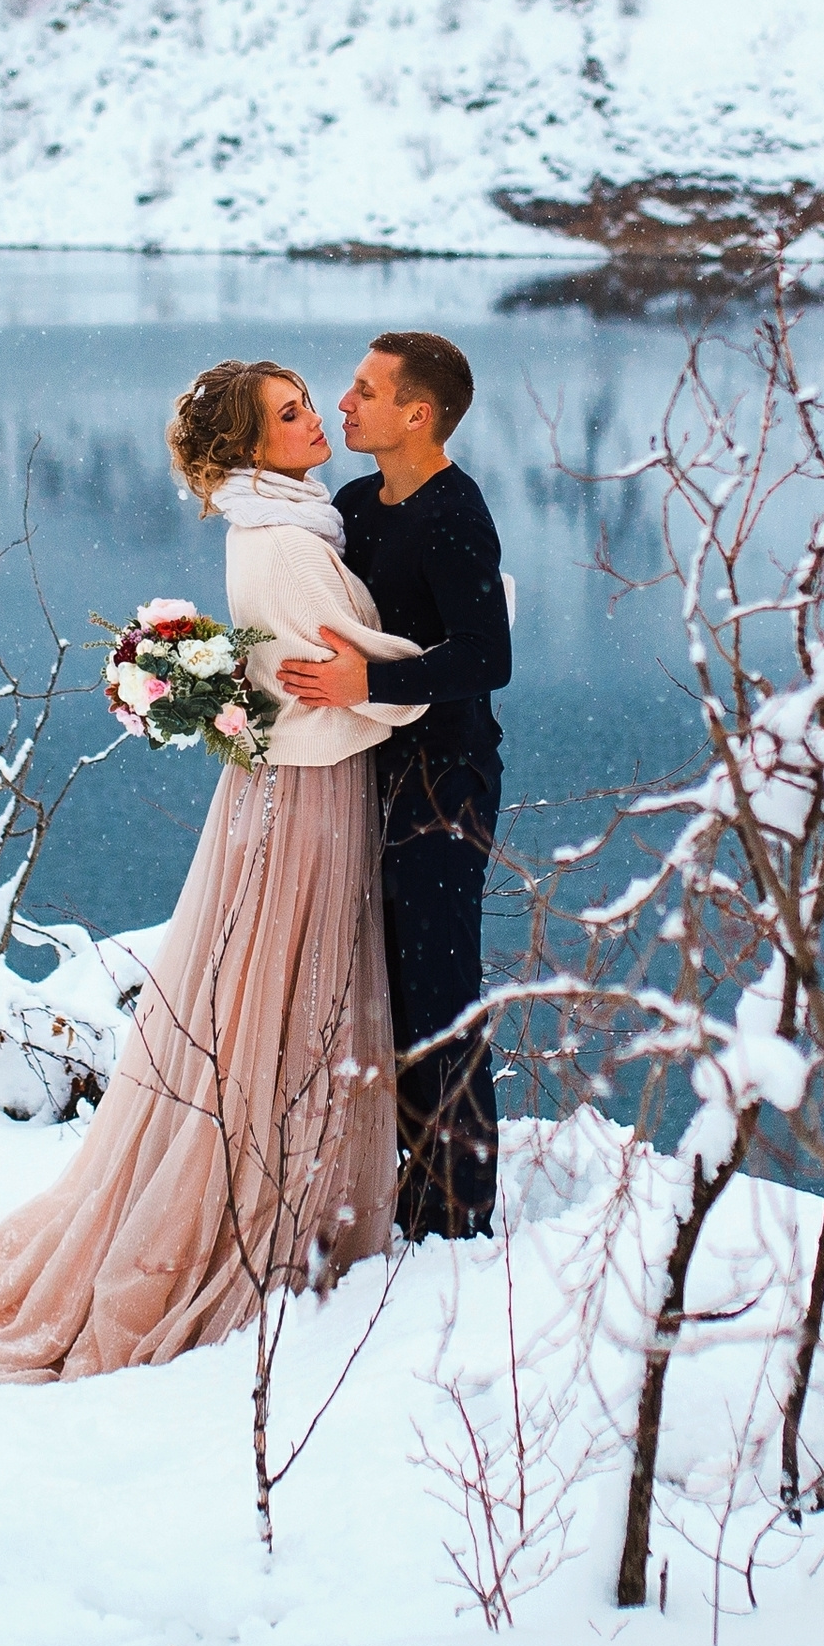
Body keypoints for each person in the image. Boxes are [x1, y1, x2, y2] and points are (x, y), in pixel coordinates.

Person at [0, 360, 424, 1380]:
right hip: (313, 789)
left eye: (308, 402)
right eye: (290, 414)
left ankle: (283, 1193)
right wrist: (458, 650)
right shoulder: (288, 544)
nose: (316, 420)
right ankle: (272, 1215)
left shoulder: (275, 523)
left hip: (283, 784)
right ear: (250, 446)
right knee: (301, 989)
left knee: (263, 992)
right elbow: (375, 676)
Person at [277, 330, 507, 1239]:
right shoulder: (355, 504)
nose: (343, 403)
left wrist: (368, 684)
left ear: (418, 414)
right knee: (381, 988)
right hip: (364, 771)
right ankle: (398, 1184)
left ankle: (458, 1214)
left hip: (445, 783)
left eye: (366, 392)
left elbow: (487, 657)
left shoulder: (455, 514)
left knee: (437, 992)